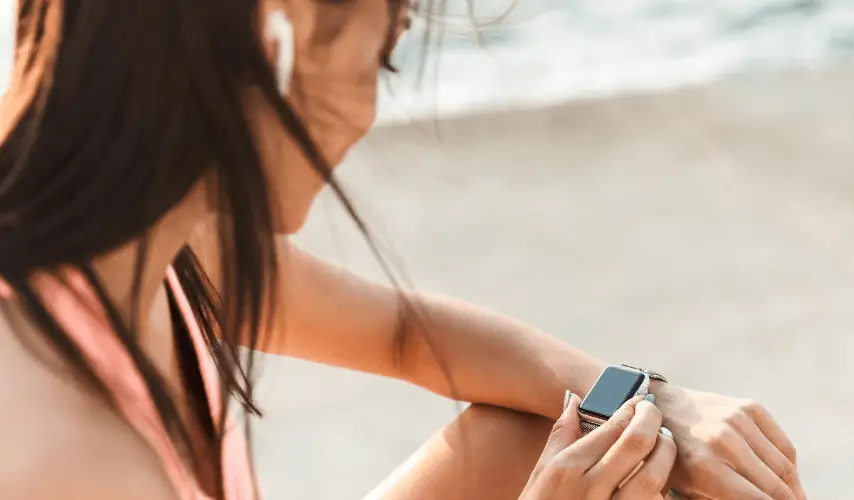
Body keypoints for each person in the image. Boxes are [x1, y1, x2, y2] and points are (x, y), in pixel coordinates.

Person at [0, 1, 807, 499]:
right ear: (277, 29)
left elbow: (402, 333)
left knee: (563, 436)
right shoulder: (61, 455)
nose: (365, 113)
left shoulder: (160, 243)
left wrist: (652, 405)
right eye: (379, 55)